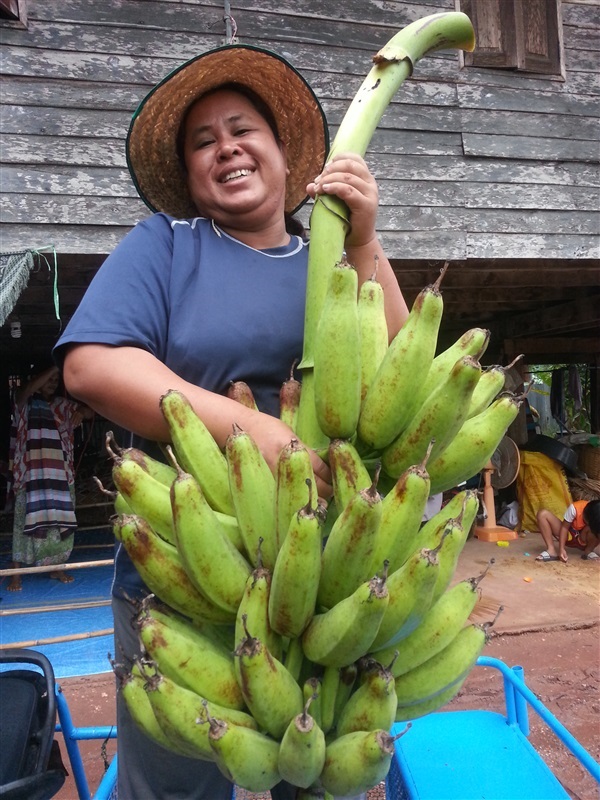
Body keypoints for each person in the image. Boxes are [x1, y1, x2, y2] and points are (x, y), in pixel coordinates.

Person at [54, 43, 408, 800]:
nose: (226, 148)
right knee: (174, 780)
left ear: (285, 156)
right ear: (188, 178)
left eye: (243, 129)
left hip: (329, 574)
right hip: (192, 563)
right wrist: (253, 433)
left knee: (317, 774)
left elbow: (399, 377)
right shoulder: (168, 248)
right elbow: (92, 365)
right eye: (203, 142)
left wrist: (365, 238)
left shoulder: (333, 261)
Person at [7, 364, 92, 592]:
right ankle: (16, 574)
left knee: (59, 526)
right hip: (30, 474)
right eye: (49, 379)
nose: (53, 383)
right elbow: (24, 391)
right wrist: (55, 366)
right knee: (22, 523)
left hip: (60, 476)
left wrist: (82, 412)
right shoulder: (24, 402)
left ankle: (56, 567)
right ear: (38, 379)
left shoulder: (62, 406)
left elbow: (93, 411)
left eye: (56, 380)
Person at [535, 498, 600, 563]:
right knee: (542, 514)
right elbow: (564, 527)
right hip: (568, 535)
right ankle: (551, 550)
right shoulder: (575, 508)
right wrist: (561, 549)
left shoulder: (597, 516)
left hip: (584, 538)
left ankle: (588, 551)